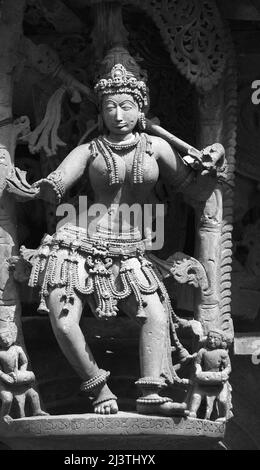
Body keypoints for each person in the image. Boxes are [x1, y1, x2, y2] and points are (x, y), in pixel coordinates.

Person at [18, 47, 225, 416]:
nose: (118, 115)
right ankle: (98, 389)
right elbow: (56, 183)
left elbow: (194, 191)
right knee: (64, 322)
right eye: (110, 107)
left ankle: (150, 394)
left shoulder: (158, 147)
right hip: (77, 243)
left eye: (127, 106)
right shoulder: (91, 149)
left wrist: (213, 161)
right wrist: (34, 187)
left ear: (141, 108)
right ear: (100, 111)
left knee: (157, 318)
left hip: (131, 251)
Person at [0, 326, 48, 420]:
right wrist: (3, 376)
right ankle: (4, 415)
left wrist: (22, 372)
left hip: (19, 380)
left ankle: (37, 411)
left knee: (34, 394)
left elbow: (24, 362)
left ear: (12, 337)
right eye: (2, 339)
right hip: (4, 383)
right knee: (7, 399)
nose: (5, 340)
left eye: (7, 337)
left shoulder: (17, 349)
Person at [187, 328, 232, 421]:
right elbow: (198, 363)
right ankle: (192, 412)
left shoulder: (223, 353)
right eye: (210, 338)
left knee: (222, 400)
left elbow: (228, 367)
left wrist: (223, 373)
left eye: (216, 339)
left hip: (218, 382)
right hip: (204, 380)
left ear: (221, 341)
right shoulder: (202, 351)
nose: (212, 341)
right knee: (196, 396)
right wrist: (198, 370)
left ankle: (222, 416)